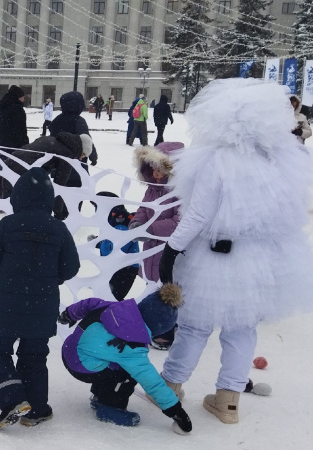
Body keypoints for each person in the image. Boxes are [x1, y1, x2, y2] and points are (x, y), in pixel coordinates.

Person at [157, 79, 313, 425]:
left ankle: (169, 386)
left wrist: (172, 249)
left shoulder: (218, 159)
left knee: (195, 326)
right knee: (241, 329)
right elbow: (293, 213)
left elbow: (197, 214)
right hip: (260, 260)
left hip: (216, 256)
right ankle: (228, 400)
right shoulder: (283, 158)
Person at [0, 167, 81, 428]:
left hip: (6, 305)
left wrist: (4, 277)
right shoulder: (59, 229)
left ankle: (13, 398)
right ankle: (37, 410)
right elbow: (71, 267)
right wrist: (50, 279)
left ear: (17, 198)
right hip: (42, 306)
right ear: (50, 201)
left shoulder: (7, 225)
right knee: (34, 357)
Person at [58, 285, 192, 433]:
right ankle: (110, 408)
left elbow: (88, 303)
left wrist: (69, 314)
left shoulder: (114, 306)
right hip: (80, 366)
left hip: (69, 349)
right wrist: (176, 411)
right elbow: (152, 381)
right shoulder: (133, 347)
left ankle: (99, 396)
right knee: (127, 373)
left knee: (111, 358)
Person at [129, 142, 183, 350]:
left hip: (171, 249)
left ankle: (167, 329)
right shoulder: (153, 188)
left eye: (159, 168)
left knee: (168, 288)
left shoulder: (180, 191)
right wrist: (138, 222)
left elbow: (181, 221)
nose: (155, 172)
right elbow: (144, 209)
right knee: (153, 284)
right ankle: (155, 322)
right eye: (151, 167)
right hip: (151, 247)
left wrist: (152, 229)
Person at [1, 132, 90, 219]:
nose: (81, 158)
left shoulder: (54, 140)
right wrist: (58, 214)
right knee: (26, 205)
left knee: (16, 204)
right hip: (22, 170)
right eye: (83, 154)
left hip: (12, 162)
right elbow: (60, 185)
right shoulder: (67, 154)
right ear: (80, 148)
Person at [93, 192, 139, 301]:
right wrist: (98, 243)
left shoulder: (120, 226)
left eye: (97, 208)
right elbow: (111, 244)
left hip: (124, 271)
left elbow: (116, 251)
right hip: (116, 269)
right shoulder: (112, 223)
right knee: (107, 298)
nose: (95, 213)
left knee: (111, 299)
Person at [49, 91, 97, 195]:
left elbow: (51, 140)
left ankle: (60, 210)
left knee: (60, 191)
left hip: (59, 163)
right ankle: (72, 210)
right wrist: (93, 156)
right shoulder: (79, 121)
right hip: (77, 163)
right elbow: (87, 141)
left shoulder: (57, 120)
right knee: (76, 193)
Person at [0, 85, 29, 199]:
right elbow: (21, 131)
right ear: (18, 97)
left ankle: (1, 197)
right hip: (15, 147)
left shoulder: (1, 108)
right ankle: (11, 199)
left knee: (3, 172)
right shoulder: (17, 109)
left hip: (2, 145)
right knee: (14, 173)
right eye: (22, 97)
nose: (23, 99)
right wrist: (25, 146)